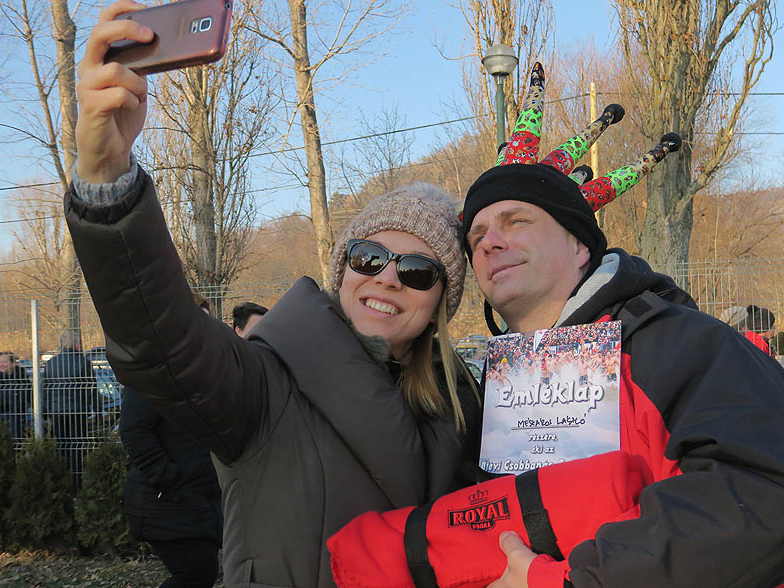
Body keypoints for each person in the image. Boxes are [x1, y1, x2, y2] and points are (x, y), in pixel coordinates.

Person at [328, 62, 784, 588]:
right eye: (477, 235)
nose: (491, 241)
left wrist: (568, 581)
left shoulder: (683, 343)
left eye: (517, 221)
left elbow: (766, 500)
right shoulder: (494, 388)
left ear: (579, 244)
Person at [65, 4, 479, 584]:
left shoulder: (460, 409)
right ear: (343, 269)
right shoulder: (265, 382)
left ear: (441, 301)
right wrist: (108, 183)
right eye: (369, 257)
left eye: (416, 271)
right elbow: (163, 345)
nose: (387, 278)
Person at [121, 298, 223, 588]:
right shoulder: (154, 372)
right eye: (194, 321)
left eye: (206, 321)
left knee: (202, 572)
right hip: (168, 500)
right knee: (196, 574)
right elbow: (133, 430)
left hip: (198, 499)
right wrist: (169, 478)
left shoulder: (203, 372)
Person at [42, 331, 98, 490]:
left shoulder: (51, 363)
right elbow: (91, 389)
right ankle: (77, 482)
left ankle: (63, 480)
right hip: (78, 411)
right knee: (77, 446)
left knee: (62, 445)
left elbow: (46, 390)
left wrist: (46, 413)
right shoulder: (84, 362)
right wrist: (97, 410)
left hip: (57, 411)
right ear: (77, 345)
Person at [0, 351, 31, 440]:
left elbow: (29, 397)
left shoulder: (23, 378)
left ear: (13, 363)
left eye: (4, 362)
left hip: (20, 419)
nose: (1, 365)